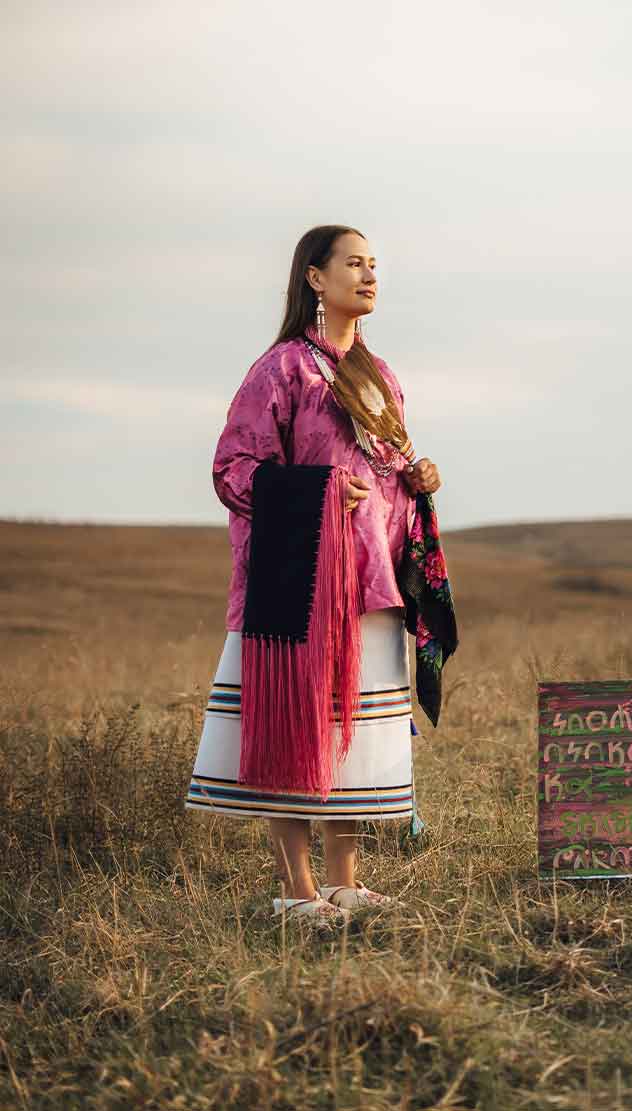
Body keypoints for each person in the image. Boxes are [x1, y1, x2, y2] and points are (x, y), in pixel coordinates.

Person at [184, 224, 442, 924]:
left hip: (372, 583)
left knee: (350, 734)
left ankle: (344, 881)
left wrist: (418, 476)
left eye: (374, 264)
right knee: (295, 730)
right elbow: (232, 471)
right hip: (298, 585)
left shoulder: (380, 376)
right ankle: (296, 890)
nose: (369, 275)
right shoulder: (281, 371)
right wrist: (322, 489)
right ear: (314, 278)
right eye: (353, 263)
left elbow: (386, 467)